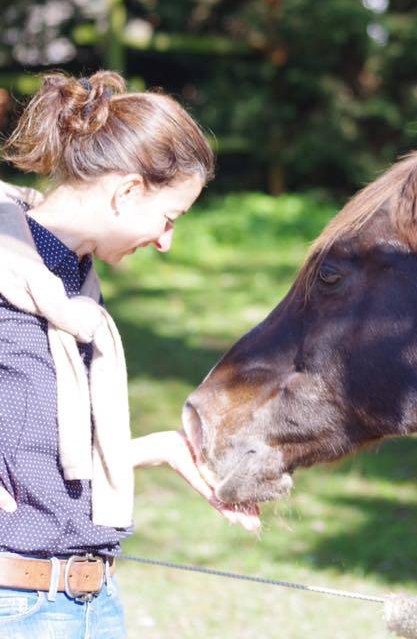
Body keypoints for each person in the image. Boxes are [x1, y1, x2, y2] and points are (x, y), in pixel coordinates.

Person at [0, 71, 258, 638]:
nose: (166, 241)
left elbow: (36, 460)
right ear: (127, 192)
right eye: (170, 218)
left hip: (95, 606)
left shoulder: (77, 292)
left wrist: (159, 449)